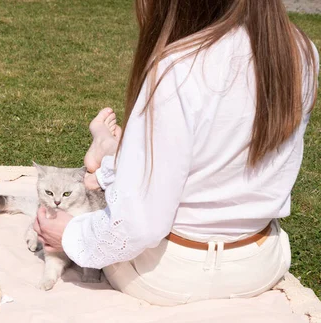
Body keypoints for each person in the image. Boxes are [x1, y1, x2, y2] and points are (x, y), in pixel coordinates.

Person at [33, 0, 319, 306]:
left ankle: (109, 155)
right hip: (261, 263)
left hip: (170, 274)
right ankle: (109, 157)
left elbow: (139, 227)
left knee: (138, 175)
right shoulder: (301, 51)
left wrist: (71, 233)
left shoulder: (179, 67)